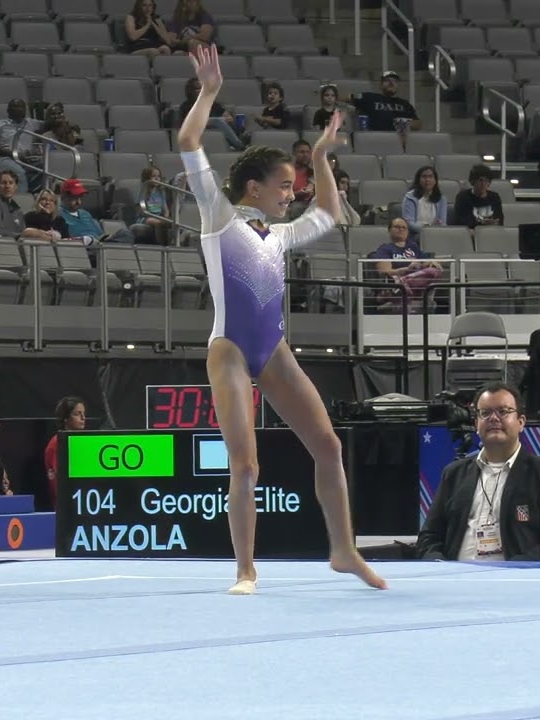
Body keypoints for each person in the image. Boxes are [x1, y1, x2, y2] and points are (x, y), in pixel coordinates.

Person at [178, 44, 385, 595]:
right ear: (254, 188)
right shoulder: (219, 219)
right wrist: (209, 92)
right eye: (285, 186)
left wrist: (320, 158)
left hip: (274, 349)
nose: (291, 195)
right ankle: (245, 568)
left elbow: (331, 214)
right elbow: (188, 142)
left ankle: (343, 550)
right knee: (245, 464)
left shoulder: (282, 234)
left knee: (329, 446)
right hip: (231, 349)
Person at [415, 383, 540, 563]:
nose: (493, 418)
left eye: (503, 411)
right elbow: (429, 536)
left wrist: (515, 570)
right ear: (476, 423)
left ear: (521, 422)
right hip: (456, 580)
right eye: (485, 413)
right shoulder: (454, 473)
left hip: (515, 582)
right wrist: (440, 566)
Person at [43, 396, 87, 509]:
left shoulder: (82, 442)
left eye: (83, 413)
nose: (83, 418)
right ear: (66, 418)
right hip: (67, 507)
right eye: (77, 414)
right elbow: (57, 481)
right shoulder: (57, 443)